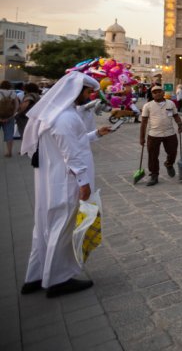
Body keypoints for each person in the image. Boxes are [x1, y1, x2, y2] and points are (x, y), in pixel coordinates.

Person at [20, 72, 113, 297]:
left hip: (51, 181)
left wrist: (96, 134)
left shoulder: (56, 115)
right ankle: (58, 280)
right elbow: (71, 153)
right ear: (76, 91)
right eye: (87, 91)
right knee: (62, 228)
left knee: (44, 227)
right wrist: (83, 182)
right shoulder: (65, 118)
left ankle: (36, 275)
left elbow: (74, 140)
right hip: (65, 182)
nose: (89, 95)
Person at [140, 86, 182, 186]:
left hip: (170, 133)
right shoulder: (148, 106)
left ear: (163, 92)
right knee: (153, 156)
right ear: (152, 95)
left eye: (159, 92)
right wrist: (142, 137)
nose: (157, 94)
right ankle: (154, 175)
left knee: (173, 152)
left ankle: (169, 164)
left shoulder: (170, 103)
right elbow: (143, 123)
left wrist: (180, 124)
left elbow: (175, 115)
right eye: (154, 93)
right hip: (154, 134)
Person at [0, 80, 20, 157]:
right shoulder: (13, 93)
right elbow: (17, 106)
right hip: (9, 117)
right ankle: (9, 152)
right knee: (9, 134)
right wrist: (11, 116)